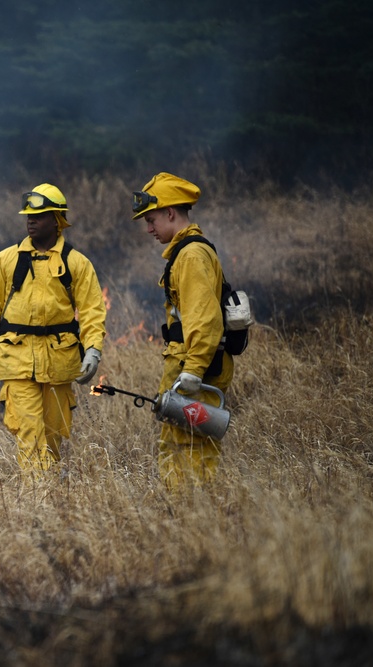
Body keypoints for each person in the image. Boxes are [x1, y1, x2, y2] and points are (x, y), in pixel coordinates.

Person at [0, 184, 107, 473]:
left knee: (52, 436)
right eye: (28, 216)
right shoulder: (7, 260)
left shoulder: (76, 263)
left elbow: (91, 312)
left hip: (59, 364)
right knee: (29, 433)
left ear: (56, 220)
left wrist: (93, 351)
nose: (30, 221)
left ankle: (49, 494)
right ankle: (39, 500)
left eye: (38, 216)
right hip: (16, 363)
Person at [131, 172, 233, 491]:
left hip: (194, 374)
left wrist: (192, 371)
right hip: (189, 369)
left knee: (189, 450)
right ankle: (186, 517)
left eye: (151, 220)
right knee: (180, 447)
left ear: (170, 213)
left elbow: (204, 320)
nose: (149, 229)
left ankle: (191, 515)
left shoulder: (190, 255)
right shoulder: (187, 253)